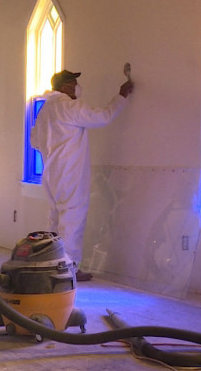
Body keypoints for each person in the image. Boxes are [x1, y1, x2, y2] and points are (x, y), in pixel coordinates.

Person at [31, 70, 134, 282]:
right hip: (69, 174)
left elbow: (34, 141)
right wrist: (121, 97)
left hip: (51, 173)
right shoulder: (68, 107)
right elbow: (103, 116)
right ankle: (68, 269)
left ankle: (51, 264)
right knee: (72, 218)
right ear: (66, 86)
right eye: (75, 83)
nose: (78, 87)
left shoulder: (45, 110)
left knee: (55, 219)